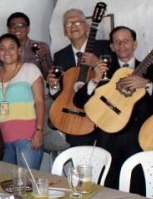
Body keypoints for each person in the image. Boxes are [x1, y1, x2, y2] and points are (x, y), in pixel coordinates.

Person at [72, 26, 153, 189]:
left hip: (139, 137)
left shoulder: (152, 70)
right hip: (108, 135)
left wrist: (147, 84)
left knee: (137, 185)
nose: (122, 45)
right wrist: (95, 80)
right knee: (107, 184)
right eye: (117, 42)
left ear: (135, 44)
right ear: (111, 47)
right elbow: (79, 101)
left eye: (126, 40)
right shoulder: (103, 69)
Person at [46, 8, 113, 147]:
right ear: (65, 31)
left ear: (87, 26)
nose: (73, 26)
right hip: (75, 118)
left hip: (103, 116)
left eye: (77, 22)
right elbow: (60, 94)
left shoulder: (106, 47)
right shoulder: (60, 56)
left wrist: (96, 63)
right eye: (68, 24)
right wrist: (53, 85)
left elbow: (116, 79)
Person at [0, 34, 44, 168]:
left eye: (11, 47)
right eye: (2, 48)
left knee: (27, 181)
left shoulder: (30, 69)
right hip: (2, 138)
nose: (7, 52)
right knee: (7, 182)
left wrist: (39, 130)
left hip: (27, 136)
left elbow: (39, 102)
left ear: (19, 50)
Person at [0, 12, 52, 77]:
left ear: (28, 29)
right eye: (13, 26)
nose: (17, 29)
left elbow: (50, 75)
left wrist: (44, 59)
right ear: (8, 29)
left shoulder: (41, 47)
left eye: (21, 25)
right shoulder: (2, 48)